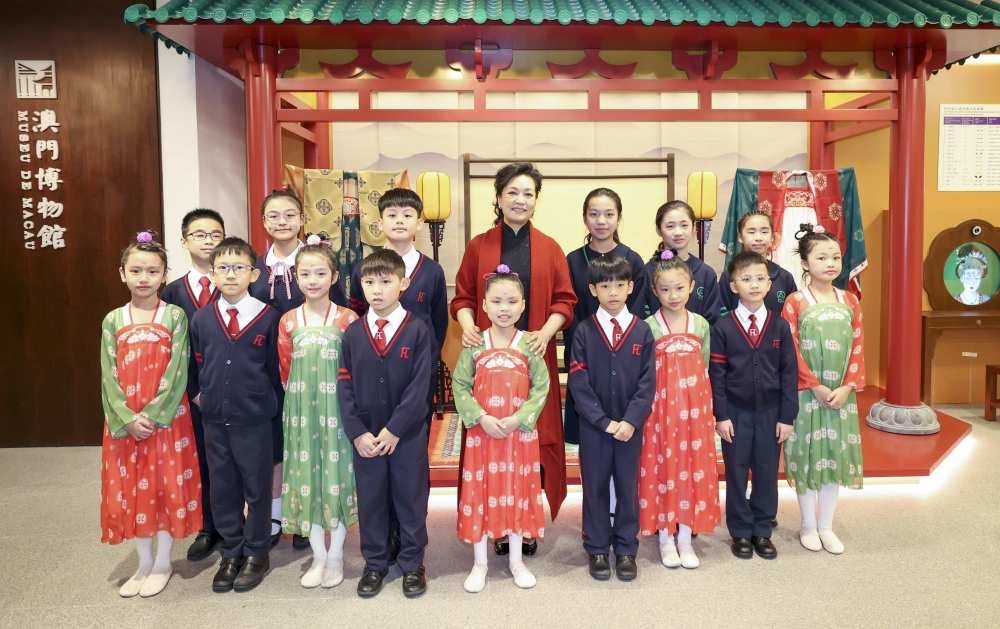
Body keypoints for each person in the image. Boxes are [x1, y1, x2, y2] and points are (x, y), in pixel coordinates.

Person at [451, 162, 577, 556]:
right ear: (499, 197)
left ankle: (524, 522)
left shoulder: (550, 247)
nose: (520, 200)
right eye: (513, 192)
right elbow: (463, 296)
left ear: (536, 200)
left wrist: (545, 333)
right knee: (489, 440)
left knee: (533, 439)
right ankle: (494, 523)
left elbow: (565, 300)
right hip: (488, 363)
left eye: (528, 193)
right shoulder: (480, 245)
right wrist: (469, 326)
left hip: (533, 357)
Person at [348, 188, 448, 563]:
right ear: (380, 223)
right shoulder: (367, 269)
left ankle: (409, 543)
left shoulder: (432, 271)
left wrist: (424, 365)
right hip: (371, 378)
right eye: (392, 215)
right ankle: (383, 540)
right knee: (375, 470)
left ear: (419, 223)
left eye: (408, 215)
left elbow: (439, 323)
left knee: (410, 468)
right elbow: (356, 313)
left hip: (414, 380)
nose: (400, 221)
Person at [100, 231, 202, 598]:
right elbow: (108, 373)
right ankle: (142, 562)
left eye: (153, 271)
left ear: (164, 275)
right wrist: (127, 417)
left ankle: (162, 562)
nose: (144, 278)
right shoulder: (113, 320)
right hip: (126, 422)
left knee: (164, 486)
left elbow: (179, 369)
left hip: (167, 420)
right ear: (122, 273)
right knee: (132, 487)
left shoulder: (174, 316)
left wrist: (156, 414)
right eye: (136, 270)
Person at [250, 187, 347, 550]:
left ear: (302, 220)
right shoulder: (254, 268)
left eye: (290, 215)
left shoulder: (317, 261)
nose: (282, 222)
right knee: (279, 447)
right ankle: (279, 514)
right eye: (274, 215)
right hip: (267, 370)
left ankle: (313, 514)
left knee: (317, 445)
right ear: (263, 221)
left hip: (316, 372)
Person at [338, 249, 433, 599]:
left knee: (410, 498)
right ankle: (375, 562)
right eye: (369, 282)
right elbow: (344, 385)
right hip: (366, 437)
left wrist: (396, 429)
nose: (376, 290)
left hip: (406, 436)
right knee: (372, 500)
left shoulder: (418, 330)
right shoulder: (353, 333)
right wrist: (357, 433)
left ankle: (412, 562)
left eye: (385, 281)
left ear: (403, 283)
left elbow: (420, 387)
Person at [190, 237, 282, 593]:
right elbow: (198, 363)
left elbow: (275, 369)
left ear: (253, 274)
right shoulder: (202, 319)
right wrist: (204, 398)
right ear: (213, 274)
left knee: (257, 488)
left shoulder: (268, 317)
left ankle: (257, 551)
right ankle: (231, 551)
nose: (230, 275)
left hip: (255, 419)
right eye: (223, 268)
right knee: (223, 488)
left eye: (239, 268)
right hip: (215, 419)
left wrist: (267, 406)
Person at [453, 265, 549, 593]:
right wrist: (481, 417)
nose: (504, 308)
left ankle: (516, 561)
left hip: (519, 434)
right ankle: (479, 563)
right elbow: (460, 384)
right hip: (483, 435)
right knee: (481, 492)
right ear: (484, 305)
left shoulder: (530, 344)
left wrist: (519, 418)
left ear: (523, 306)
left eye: (511, 301)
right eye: (496, 301)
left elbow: (542, 386)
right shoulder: (474, 343)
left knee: (517, 491)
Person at [278, 235, 360, 588]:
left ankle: (337, 554)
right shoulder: (287, 321)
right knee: (306, 478)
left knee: (335, 477)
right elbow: (284, 369)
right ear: (296, 277)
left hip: (337, 410)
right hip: (300, 411)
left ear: (334, 277)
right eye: (305, 273)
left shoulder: (348, 318)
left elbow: (354, 366)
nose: (313, 280)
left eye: (320, 273)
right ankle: (319, 555)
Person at [568, 256, 654, 582]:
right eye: (605, 286)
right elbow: (578, 382)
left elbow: (647, 383)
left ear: (631, 287)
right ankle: (597, 547)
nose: (613, 292)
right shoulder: (583, 332)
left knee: (629, 487)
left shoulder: (642, 331)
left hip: (631, 429)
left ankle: (627, 548)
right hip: (595, 429)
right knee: (595, 486)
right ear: (593, 290)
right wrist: (602, 421)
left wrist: (631, 421)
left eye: (620, 285)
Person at [782, 225, 866, 555]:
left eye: (835, 257)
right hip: (806, 393)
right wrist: (813, 385)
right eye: (821, 257)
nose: (830, 263)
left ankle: (826, 525)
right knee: (806, 455)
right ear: (805, 263)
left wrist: (847, 386)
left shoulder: (851, 300)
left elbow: (858, 345)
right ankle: (807, 524)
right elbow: (790, 348)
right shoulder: (795, 302)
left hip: (841, 395)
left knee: (833, 455)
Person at [709, 251, 798, 561]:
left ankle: (762, 529)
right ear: (734, 286)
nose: (755, 284)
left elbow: (789, 374)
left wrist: (787, 416)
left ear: (769, 283)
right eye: (746, 279)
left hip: (771, 413)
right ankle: (740, 531)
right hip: (735, 414)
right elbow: (717, 375)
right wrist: (721, 415)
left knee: (766, 472)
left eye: (760, 278)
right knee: (736, 472)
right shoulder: (723, 327)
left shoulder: (780, 327)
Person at [638, 250, 720, 570]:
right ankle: (665, 537)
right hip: (660, 412)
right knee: (663, 467)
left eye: (679, 288)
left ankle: (685, 535)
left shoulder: (701, 324)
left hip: (695, 410)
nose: (673, 295)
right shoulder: (648, 327)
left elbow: (705, 365)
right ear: (654, 291)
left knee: (692, 467)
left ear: (691, 287)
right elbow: (644, 373)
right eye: (665, 289)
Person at [160, 208, 225, 561]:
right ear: (184, 242)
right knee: (200, 458)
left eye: (215, 234)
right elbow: (171, 347)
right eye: (200, 235)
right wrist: (193, 390)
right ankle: (208, 526)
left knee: (235, 460)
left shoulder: (237, 283)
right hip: (191, 394)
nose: (208, 241)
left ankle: (237, 524)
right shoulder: (172, 292)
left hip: (232, 390)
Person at [564, 188, 646, 446]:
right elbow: (569, 309)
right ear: (584, 218)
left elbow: (638, 311)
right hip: (584, 354)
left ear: (618, 217)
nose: (601, 221)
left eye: (609, 214)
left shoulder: (632, 259)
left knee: (625, 432)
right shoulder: (572, 260)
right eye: (594, 214)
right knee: (589, 435)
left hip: (624, 358)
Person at [635, 200, 721, 325]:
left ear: (693, 228)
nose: (678, 232)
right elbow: (639, 318)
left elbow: (714, 322)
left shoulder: (706, 273)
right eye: (670, 226)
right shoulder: (647, 272)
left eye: (684, 225)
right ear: (658, 230)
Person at [717, 211, 797, 316]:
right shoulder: (729, 276)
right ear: (740, 237)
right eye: (751, 232)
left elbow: (792, 316)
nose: (758, 238)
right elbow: (721, 314)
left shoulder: (784, 277)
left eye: (764, 232)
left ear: (772, 237)